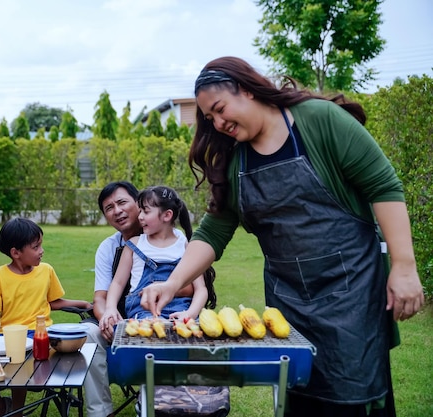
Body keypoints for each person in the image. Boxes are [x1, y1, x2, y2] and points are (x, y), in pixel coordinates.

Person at [141, 56, 425, 417]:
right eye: (210, 119)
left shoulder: (319, 121)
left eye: (220, 109)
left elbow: (383, 185)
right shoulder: (236, 160)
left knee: (353, 400)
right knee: (299, 397)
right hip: (288, 302)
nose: (218, 123)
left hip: (352, 294)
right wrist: (173, 282)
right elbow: (213, 231)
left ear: (246, 89)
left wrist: (403, 266)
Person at [83, 181, 195, 417]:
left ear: (140, 202)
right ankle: (100, 413)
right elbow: (101, 296)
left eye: (122, 202)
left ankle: (155, 406)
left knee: (155, 339)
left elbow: (194, 289)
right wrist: (109, 318)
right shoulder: (110, 247)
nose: (117, 211)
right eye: (109, 208)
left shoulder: (178, 243)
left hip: (168, 319)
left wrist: (159, 290)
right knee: (87, 333)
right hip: (124, 322)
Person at [0, 217, 92, 417]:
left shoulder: (46, 271)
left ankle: (16, 411)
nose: (42, 250)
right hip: (6, 336)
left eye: (40, 244)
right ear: (16, 253)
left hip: (40, 334)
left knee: (21, 365)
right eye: (36, 246)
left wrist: (81, 303)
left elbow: (52, 302)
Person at [100, 185, 216, 327]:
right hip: (143, 311)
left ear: (167, 215)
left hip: (182, 311)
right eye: (140, 211)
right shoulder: (134, 245)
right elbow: (117, 283)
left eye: (146, 212)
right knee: (154, 331)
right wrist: (110, 308)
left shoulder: (185, 245)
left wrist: (190, 314)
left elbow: (201, 289)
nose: (140, 216)